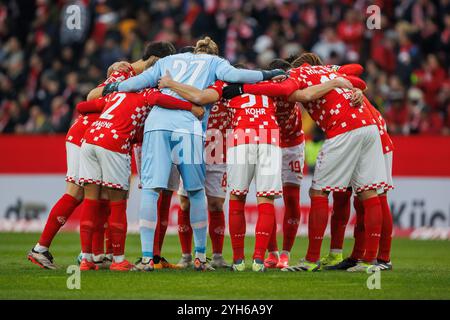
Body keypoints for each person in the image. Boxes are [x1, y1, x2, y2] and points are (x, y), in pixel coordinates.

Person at [101, 36, 286, 271]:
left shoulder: (168, 60)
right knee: (196, 191)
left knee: (151, 190)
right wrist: (268, 74)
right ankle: (200, 257)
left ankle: (147, 258)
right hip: (188, 125)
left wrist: (114, 86)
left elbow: (137, 82)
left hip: (157, 124)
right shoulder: (214, 62)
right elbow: (238, 76)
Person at [159, 63, 355, 272]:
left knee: (237, 198)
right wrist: (349, 86)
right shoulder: (272, 85)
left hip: (242, 136)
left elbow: (201, 97)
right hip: (270, 136)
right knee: (266, 199)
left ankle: (238, 261)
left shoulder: (224, 84)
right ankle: (259, 260)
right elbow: (297, 93)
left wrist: (171, 83)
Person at [227, 53, 386, 272]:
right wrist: (354, 87)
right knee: (370, 193)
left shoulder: (297, 74)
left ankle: (311, 260)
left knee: (318, 192)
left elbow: (288, 92)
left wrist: (242, 89)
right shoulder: (329, 71)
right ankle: (371, 262)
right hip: (368, 126)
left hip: (339, 129)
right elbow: (358, 72)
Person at [78, 86, 203, 271]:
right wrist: (189, 106)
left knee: (94, 200)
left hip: (93, 140)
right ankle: (123, 259)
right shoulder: (148, 92)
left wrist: (110, 93)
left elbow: (82, 106)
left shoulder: (118, 94)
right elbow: (157, 100)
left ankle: (89, 258)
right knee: (126, 200)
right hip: (130, 142)